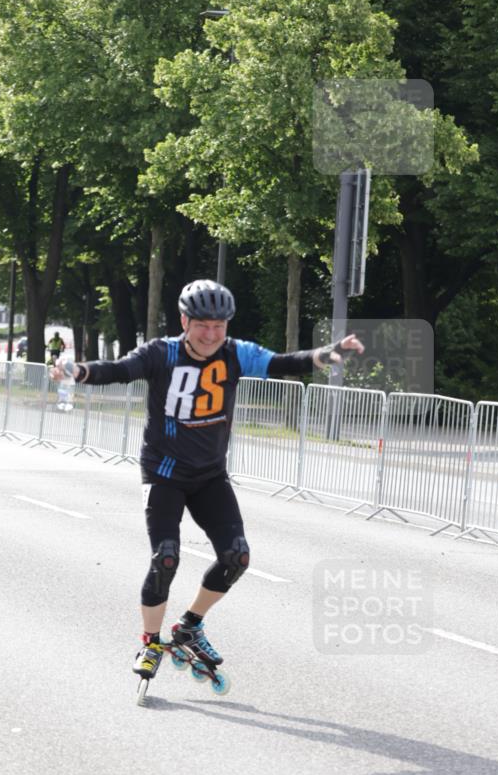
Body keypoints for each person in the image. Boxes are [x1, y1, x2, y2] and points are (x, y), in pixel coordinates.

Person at [58, 279, 364, 681]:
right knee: (166, 558)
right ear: (184, 320)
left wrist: (329, 354)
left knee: (237, 557)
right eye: (202, 324)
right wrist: (79, 371)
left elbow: (284, 363)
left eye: (219, 326)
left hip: (209, 476)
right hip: (164, 474)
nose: (210, 334)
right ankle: (151, 643)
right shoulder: (161, 353)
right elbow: (118, 369)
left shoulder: (237, 354)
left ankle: (189, 626)